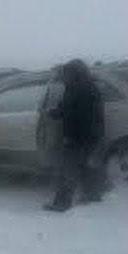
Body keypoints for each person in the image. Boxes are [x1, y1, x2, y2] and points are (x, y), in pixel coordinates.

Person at [44, 59, 105, 212]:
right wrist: (56, 112)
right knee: (84, 165)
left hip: (80, 136)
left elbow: (72, 112)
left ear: (74, 73)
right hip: (90, 135)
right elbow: (68, 108)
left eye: (66, 73)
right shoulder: (85, 86)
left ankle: (61, 204)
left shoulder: (78, 88)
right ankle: (93, 195)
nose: (63, 77)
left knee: (67, 170)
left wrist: (55, 114)